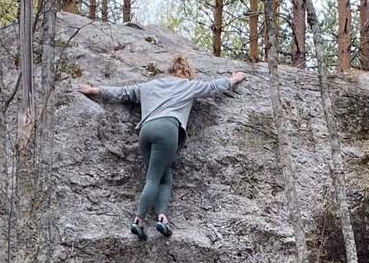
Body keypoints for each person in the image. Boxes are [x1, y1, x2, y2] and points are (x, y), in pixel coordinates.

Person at [76, 55, 248, 239]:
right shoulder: (188, 85)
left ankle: (162, 218)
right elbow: (213, 87)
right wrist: (233, 79)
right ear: (186, 73)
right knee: (153, 178)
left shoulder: (149, 86)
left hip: (145, 131)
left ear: (171, 71)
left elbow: (123, 92)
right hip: (167, 129)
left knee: (164, 176)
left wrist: (94, 90)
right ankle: (138, 220)